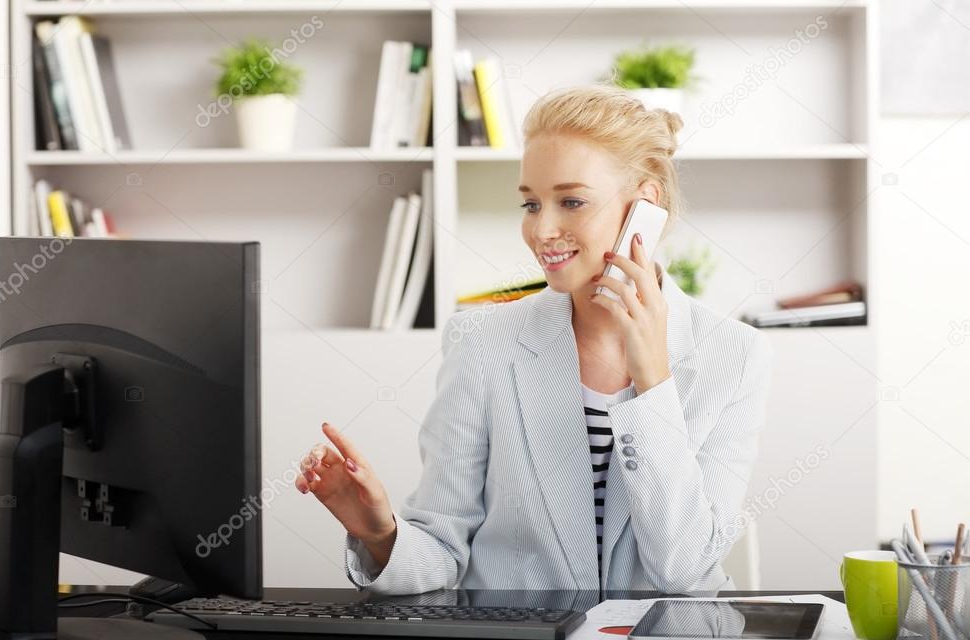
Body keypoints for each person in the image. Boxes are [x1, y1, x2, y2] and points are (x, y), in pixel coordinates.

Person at [295, 84, 774, 594]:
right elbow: (442, 551)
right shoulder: (482, 342)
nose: (543, 230)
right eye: (530, 204)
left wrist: (653, 382)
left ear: (644, 207)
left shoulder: (736, 356)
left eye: (571, 201)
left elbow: (683, 570)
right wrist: (380, 533)